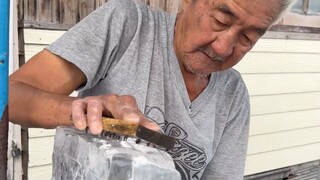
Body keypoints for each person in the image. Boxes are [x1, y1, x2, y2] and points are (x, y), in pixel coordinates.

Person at [9, 0, 296, 179]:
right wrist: (76, 110)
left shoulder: (233, 96)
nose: (223, 47)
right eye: (221, 20)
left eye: (247, 37)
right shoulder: (127, 25)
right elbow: (11, 94)